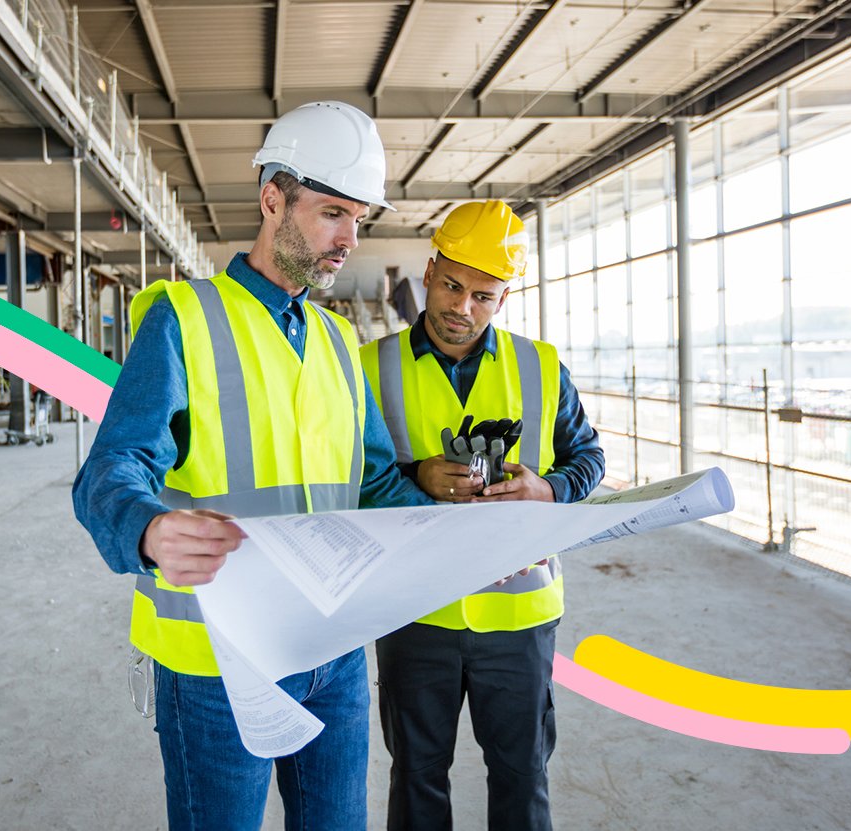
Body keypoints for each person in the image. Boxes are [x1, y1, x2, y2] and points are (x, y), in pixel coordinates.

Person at [71, 100, 432, 831]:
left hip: (331, 648)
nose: (348, 239)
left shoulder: (336, 340)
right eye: (332, 212)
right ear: (274, 199)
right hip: (216, 660)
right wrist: (149, 529)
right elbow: (109, 469)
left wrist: (475, 534)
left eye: (358, 218)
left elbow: (375, 485)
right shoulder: (184, 318)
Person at [359, 200, 606, 831]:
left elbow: (589, 459)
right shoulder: (369, 368)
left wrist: (545, 491)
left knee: (522, 773)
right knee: (416, 774)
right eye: (450, 285)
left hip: (519, 617)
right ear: (431, 267)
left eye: (484, 296)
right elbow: (346, 480)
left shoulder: (542, 367)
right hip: (413, 610)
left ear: (504, 298)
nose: (461, 308)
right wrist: (416, 475)